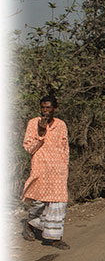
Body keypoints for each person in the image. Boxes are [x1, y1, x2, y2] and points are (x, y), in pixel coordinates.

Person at [21, 96, 71, 250]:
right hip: (40, 168)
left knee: (58, 203)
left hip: (58, 171)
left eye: (48, 108)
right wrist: (41, 133)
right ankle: (30, 224)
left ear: (55, 109)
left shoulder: (61, 125)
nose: (45, 111)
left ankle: (55, 238)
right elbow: (29, 148)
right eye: (43, 108)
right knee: (38, 201)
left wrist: (65, 165)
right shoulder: (33, 123)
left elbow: (65, 146)